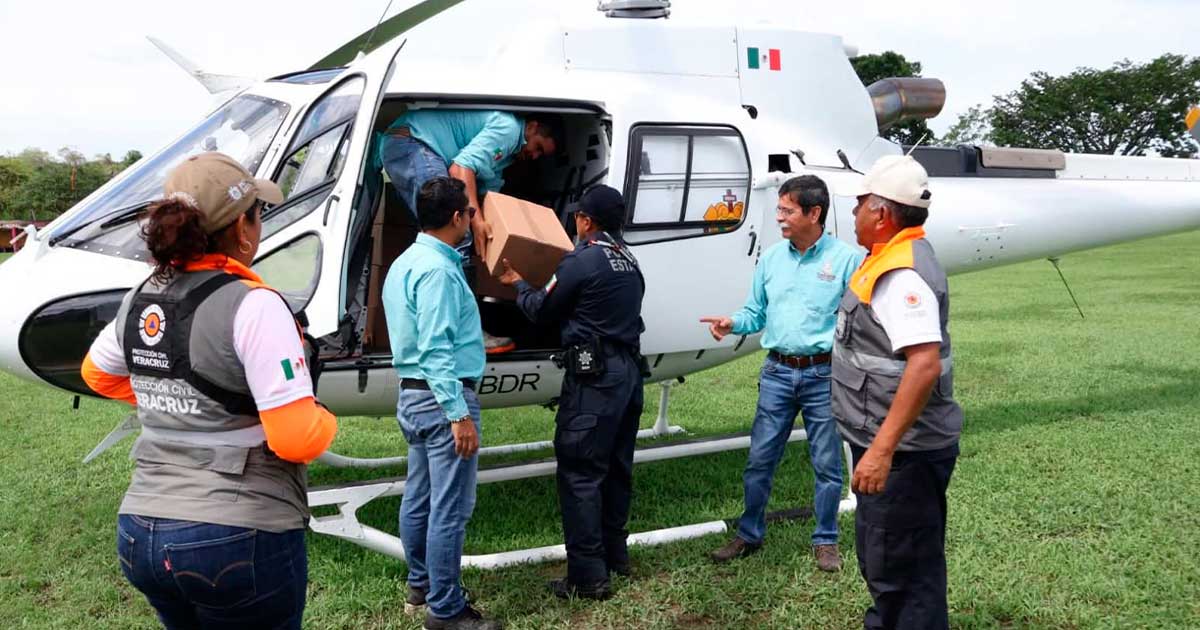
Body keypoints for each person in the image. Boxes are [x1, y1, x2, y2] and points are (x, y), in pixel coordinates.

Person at [80, 152, 338, 629]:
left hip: (140, 532)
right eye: (259, 215)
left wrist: (177, 401)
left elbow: (98, 373)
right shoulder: (255, 305)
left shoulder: (141, 297)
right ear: (243, 229)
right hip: (234, 535)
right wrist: (323, 415)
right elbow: (297, 439)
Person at [700, 175, 864, 572]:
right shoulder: (772, 258)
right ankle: (749, 533)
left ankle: (826, 540)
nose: (779, 218)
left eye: (787, 210)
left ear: (814, 212)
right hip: (776, 373)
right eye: (779, 209)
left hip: (823, 375)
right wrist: (731, 322)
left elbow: (859, 321)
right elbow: (755, 312)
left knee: (826, 463)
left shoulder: (847, 259)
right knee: (760, 459)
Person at [833, 155, 964, 629]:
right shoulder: (888, 259)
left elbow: (923, 364)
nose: (853, 214)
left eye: (860, 204)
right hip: (892, 444)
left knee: (900, 571)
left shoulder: (901, 274)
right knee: (890, 561)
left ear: (882, 214)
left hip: (903, 453)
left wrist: (881, 451)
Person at [497, 185, 645, 601]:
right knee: (616, 468)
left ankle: (588, 577)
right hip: (628, 373)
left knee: (581, 473)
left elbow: (542, 310)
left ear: (585, 221)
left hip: (595, 379)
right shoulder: (628, 260)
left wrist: (518, 283)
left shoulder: (582, 260)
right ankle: (616, 557)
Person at [382, 177, 502, 630]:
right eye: (470, 212)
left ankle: (421, 585)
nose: (473, 219)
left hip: (413, 395)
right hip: (441, 396)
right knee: (449, 508)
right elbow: (436, 348)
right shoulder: (437, 270)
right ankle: (446, 609)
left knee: (420, 496)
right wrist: (457, 413)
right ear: (457, 217)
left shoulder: (406, 262)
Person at [378, 109, 563, 354]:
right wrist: (476, 224)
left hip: (406, 143)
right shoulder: (509, 129)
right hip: (412, 142)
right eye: (538, 146)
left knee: (453, 233)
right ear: (532, 127)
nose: (534, 155)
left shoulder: (505, 157)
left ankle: (445, 328)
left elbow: (486, 197)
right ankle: (465, 334)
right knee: (452, 228)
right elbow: (460, 169)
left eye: (541, 155)